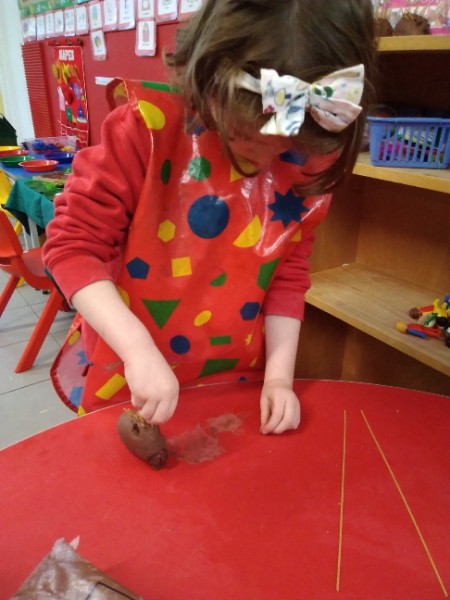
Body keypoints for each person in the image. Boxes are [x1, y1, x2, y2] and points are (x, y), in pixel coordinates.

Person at [43, 0, 376, 435]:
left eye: (285, 146)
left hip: (236, 381)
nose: (264, 159)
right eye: (242, 135)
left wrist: (279, 378)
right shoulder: (147, 130)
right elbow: (72, 248)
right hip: (130, 375)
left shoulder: (309, 154)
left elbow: (287, 275)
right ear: (208, 80)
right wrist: (138, 349)